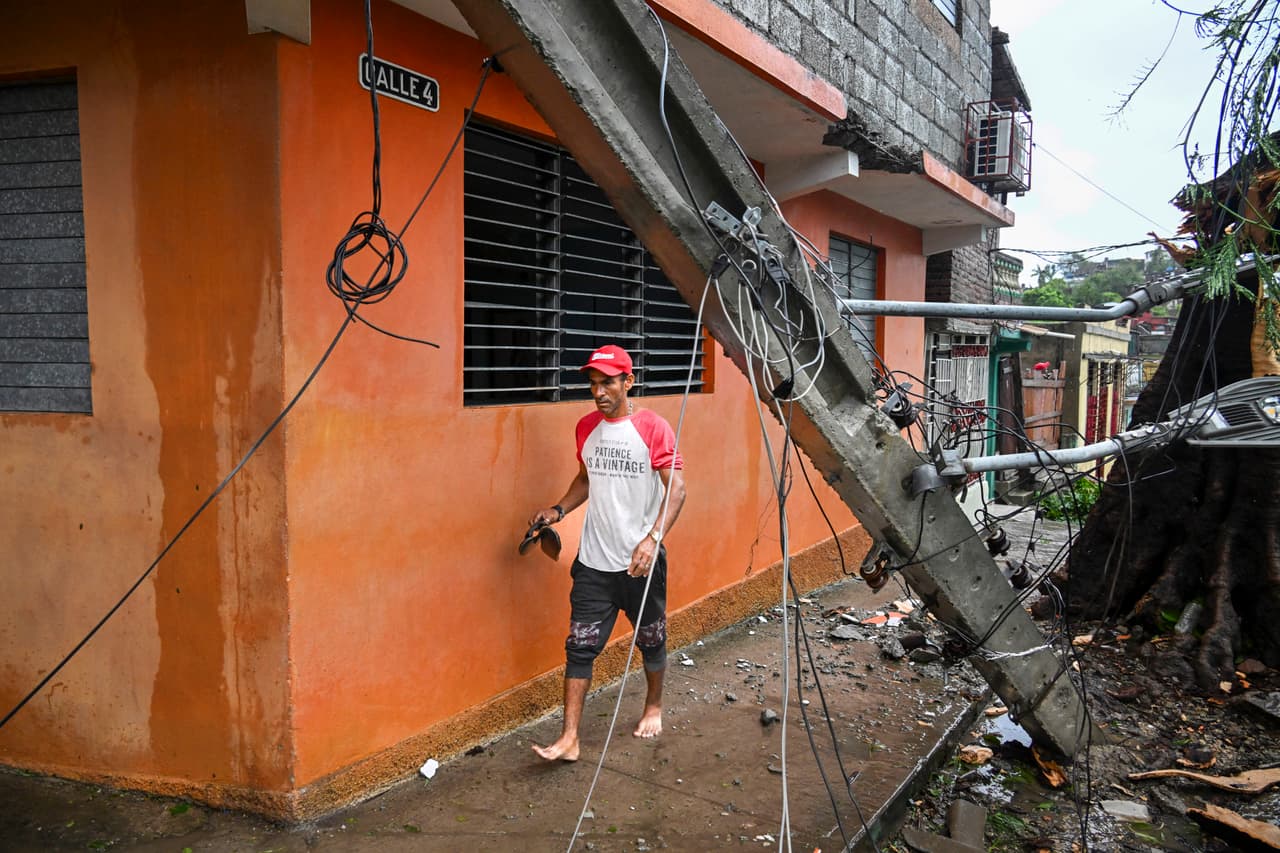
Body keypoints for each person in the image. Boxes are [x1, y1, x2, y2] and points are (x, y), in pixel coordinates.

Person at [529, 344, 687, 762]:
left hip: (640, 565)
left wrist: (652, 539)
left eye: (607, 383)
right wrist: (558, 509)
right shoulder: (585, 428)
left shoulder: (653, 428)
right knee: (579, 647)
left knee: (651, 639)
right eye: (593, 384)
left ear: (628, 382)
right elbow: (586, 479)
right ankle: (570, 739)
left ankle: (653, 705)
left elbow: (678, 489)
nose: (598, 392)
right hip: (594, 565)